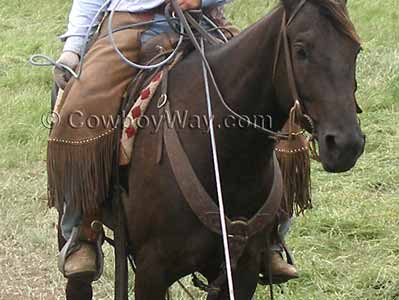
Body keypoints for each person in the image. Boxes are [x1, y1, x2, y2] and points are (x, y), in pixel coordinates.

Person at [50, 0, 298, 282]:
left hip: (204, 22)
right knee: (80, 109)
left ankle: (269, 234)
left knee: (275, 96)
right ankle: (83, 229)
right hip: (130, 24)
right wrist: (73, 46)